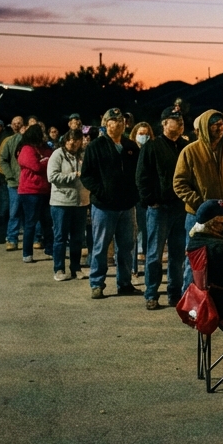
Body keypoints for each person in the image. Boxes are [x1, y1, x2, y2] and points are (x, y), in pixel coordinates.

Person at [81, 108, 142, 303]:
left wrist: (135, 194)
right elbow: (87, 176)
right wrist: (101, 192)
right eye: (116, 120)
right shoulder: (95, 147)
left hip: (127, 206)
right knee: (100, 247)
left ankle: (124, 283)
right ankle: (97, 284)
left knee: (126, 247)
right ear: (107, 124)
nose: (120, 123)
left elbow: (139, 174)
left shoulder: (131, 146)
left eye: (122, 120)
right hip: (104, 207)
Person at [138, 108, 192, 307]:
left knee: (177, 255)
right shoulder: (152, 147)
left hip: (180, 208)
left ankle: (174, 293)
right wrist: (150, 200)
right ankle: (151, 293)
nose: (180, 122)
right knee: (154, 253)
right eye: (175, 119)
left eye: (181, 119)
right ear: (164, 123)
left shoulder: (185, 147)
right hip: (159, 208)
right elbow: (142, 176)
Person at [173, 110, 223, 241]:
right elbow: (179, 183)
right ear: (205, 127)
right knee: (198, 257)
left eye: (222, 124)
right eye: (215, 125)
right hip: (198, 216)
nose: (220, 128)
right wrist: (200, 204)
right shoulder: (190, 151)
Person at [48, 129, 89, 281]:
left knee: (77, 238)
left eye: (76, 140)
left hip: (80, 203)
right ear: (65, 140)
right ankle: (59, 269)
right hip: (61, 203)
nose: (73, 143)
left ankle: (76, 268)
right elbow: (51, 176)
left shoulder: (83, 155)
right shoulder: (57, 154)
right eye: (70, 140)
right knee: (60, 237)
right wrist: (73, 176)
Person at [16, 123, 54, 262]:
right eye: (42, 133)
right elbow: (36, 166)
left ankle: (50, 249)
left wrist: (44, 160)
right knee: (30, 223)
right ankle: (27, 253)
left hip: (44, 189)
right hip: (29, 191)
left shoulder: (44, 148)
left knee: (47, 223)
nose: (44, 136)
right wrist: (45, 161)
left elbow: (51, 160)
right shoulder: (26, 149)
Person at [0, 116, 28, 250]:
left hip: (29, 184)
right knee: (14, 212)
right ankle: (12, 238)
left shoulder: (31, 142)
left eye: (20, 124)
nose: (17, 126)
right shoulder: (8, 141)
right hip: (14, 183)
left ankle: (31, 239)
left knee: (29, 214)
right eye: (15, 123)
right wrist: (9, 175)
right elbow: (2, 159)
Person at [130, 121, 155, 274]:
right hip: (134, 196)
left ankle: (146, 262)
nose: (143, 137)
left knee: (147, 231)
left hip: (148, 196)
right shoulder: (130, 150)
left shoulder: (152, 150)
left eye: (146, 134)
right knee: (134, 231)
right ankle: (133, 266)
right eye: (141, 134)